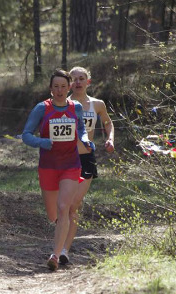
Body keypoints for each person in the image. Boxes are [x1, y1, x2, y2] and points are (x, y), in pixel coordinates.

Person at [22, 68, 91, 271]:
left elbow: (81, 129)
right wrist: (41, 142)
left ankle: (56, 254)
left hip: (71, 165)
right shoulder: (41, 108)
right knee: (53, 214)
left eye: (63, 86)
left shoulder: (76, 107)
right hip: (48, 168)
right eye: (56, 87)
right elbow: (26, 135)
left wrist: (85, 140)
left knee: (64, 209)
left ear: (68, 87)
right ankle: (58, 238)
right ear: (51, 89)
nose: (60, 90)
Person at [61, 66, 115, 264]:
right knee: (63, 206)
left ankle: (64, 250)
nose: (77, 82)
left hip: (86, 158)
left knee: (74, 205)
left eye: (81, 78)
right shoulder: (61, 103)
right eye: (73, 79)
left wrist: (110, 139)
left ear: (88, 82)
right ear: (69, 83)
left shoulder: (97, 104)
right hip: (64, 159)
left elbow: (108, 123)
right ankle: (59, 245)